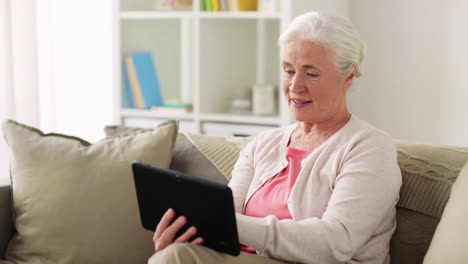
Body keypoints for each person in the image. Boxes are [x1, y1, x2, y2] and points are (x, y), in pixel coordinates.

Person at [148, 11, 402, 264]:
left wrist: (219, 222)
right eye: (288, 71)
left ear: (348, 75)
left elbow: (335, 243)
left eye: (311, 74)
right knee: (173, 254)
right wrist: (190, 233)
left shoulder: (369, 148)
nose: (295, 86)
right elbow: (226, 220)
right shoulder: (262, 145)